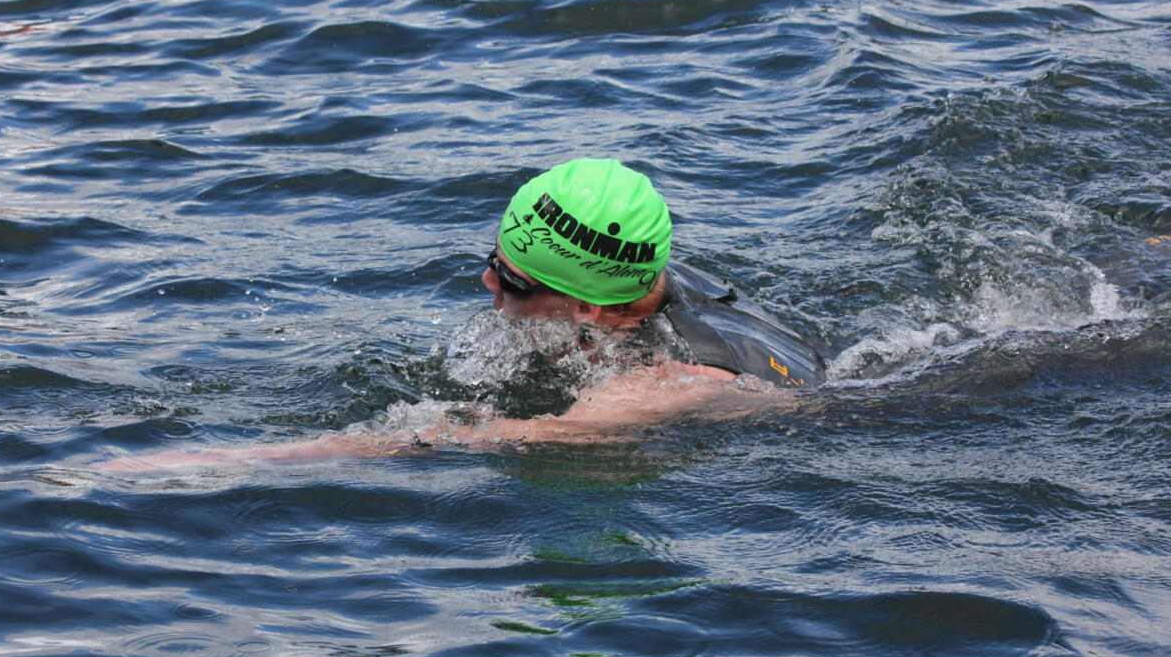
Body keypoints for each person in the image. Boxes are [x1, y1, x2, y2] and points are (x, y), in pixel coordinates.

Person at [99, 159, 825, 470]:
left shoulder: (677, 378)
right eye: (494, 257)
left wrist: (232, 460)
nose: (485, 281)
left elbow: (506, 435)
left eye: (512, 280)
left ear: (594, 309)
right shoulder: (635, 269)